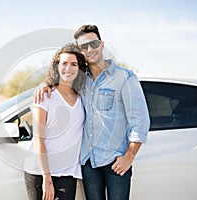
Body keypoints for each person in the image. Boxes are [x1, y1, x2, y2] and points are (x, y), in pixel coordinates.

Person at [35, 25, 150, 200]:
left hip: (116, 162)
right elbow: (61, 81)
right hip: (88, 164)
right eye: (83, 47)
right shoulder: (81, 79)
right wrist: (45, 84)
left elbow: (139, 120)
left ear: (102, 44)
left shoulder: (124, 78)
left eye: (94, 43)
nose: (90, 49)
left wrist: (129, 156)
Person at [24, 43, 87, 200]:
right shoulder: (45, 96)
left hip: (67, 172)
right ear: (56, 66)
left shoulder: (82, 97)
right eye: (64, 63)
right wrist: (47, 178)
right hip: (40, 171)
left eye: (74, 64)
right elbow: (38, 139)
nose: (68, 68)